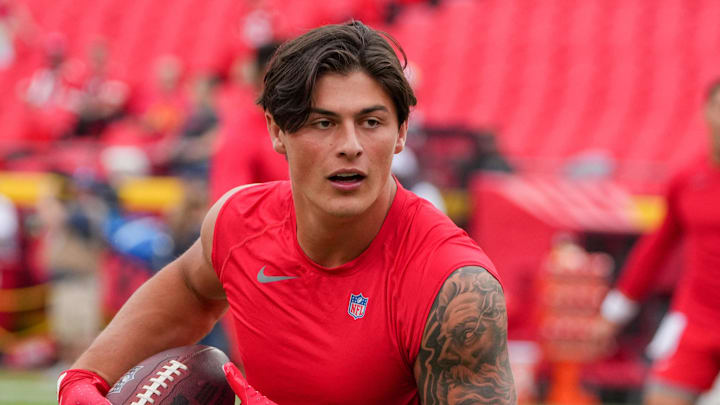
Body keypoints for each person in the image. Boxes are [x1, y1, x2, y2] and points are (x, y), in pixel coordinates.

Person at [57, 21, 516, 404]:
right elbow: (191, 288)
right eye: (324, 123)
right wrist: (83, 381)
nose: (351, 146)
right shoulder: (238, 225)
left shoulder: (455, 288)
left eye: (371, 122)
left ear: (401, 134)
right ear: (277, 132)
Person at [599, 79, 720, 405]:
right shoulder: (687, 180)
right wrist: (615, 311)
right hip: (697, 320)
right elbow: (655, 249)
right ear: (705, 112)